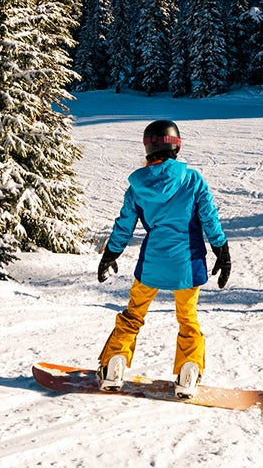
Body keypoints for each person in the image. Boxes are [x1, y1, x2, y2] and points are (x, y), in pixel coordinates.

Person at [97, 120, 231, 399]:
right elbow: (209, 218)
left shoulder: (137, 187)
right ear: (177, 146)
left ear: (147, 147)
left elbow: (125, 224)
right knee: (188, 320)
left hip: (152, 263)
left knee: (133, 315)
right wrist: (221, 250)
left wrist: (112, 252)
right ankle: (188, 374)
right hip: (187, 263)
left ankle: (113, 366)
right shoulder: (193, 180)